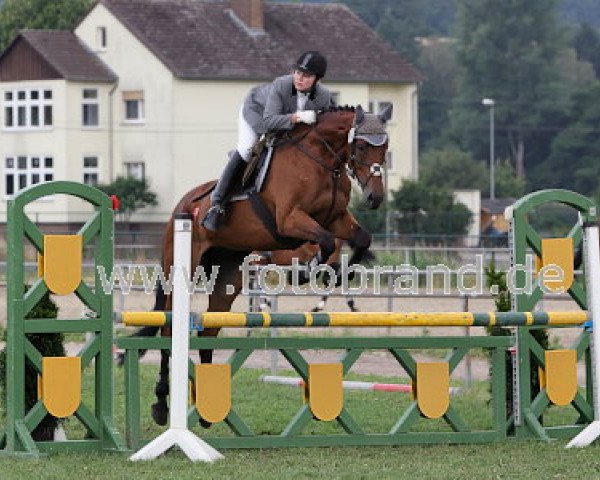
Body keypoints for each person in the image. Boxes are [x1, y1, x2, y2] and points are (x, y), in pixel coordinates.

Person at [202, 50, 334, 231]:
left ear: (317, 80)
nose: (299, 78)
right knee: (247, 148)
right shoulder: (281, 85)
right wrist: (297, 118)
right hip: (257, 112)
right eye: (297, 72)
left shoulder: (324, 96)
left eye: (307, 75)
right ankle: (217, 204)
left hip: (284, 123)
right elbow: (269, 122)